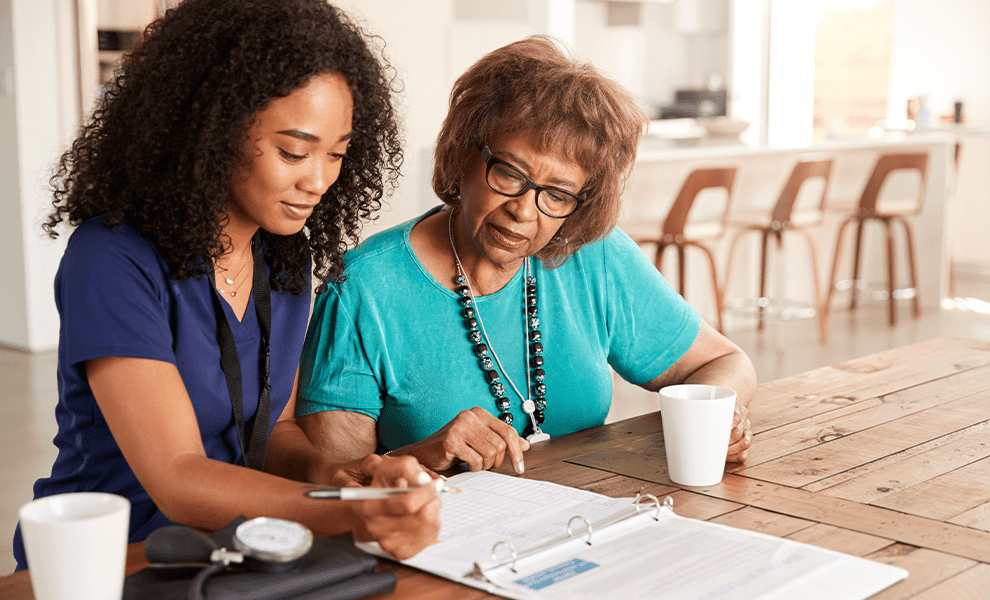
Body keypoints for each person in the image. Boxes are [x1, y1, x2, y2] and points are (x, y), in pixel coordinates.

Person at [12, 0, 440, 571]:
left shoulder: (284, 255)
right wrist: (346, 510)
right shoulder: (111, 259)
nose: (318, 180)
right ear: (212, 130)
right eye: (293, 151)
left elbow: (276, 429)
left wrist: (336, 477)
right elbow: (178, 479)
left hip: (237, 552)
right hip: (113, 562)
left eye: (337, 154)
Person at [296, 36, 756, 476]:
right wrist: (422, 457)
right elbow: (336, 488)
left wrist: (720, 414)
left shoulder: (592, 256)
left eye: (556, 194)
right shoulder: (363, 289)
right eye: (510, 174)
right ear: (463, 155)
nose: (523, 210)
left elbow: (724, 363)